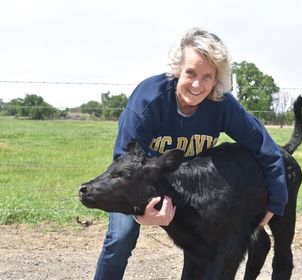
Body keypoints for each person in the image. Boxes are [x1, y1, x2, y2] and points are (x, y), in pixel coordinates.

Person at [94, 27, 287, 280]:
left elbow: (265, 147)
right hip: (137, 184)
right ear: (177, 69)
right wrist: (142, 215)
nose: (198, 84)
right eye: (191, 73)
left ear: (217, 79)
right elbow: (124, 162)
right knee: (121, 236)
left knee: (201, 234)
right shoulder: (149, 99)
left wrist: (276, 201)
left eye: (208, 76)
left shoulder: (221, 103)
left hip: (183, 186)